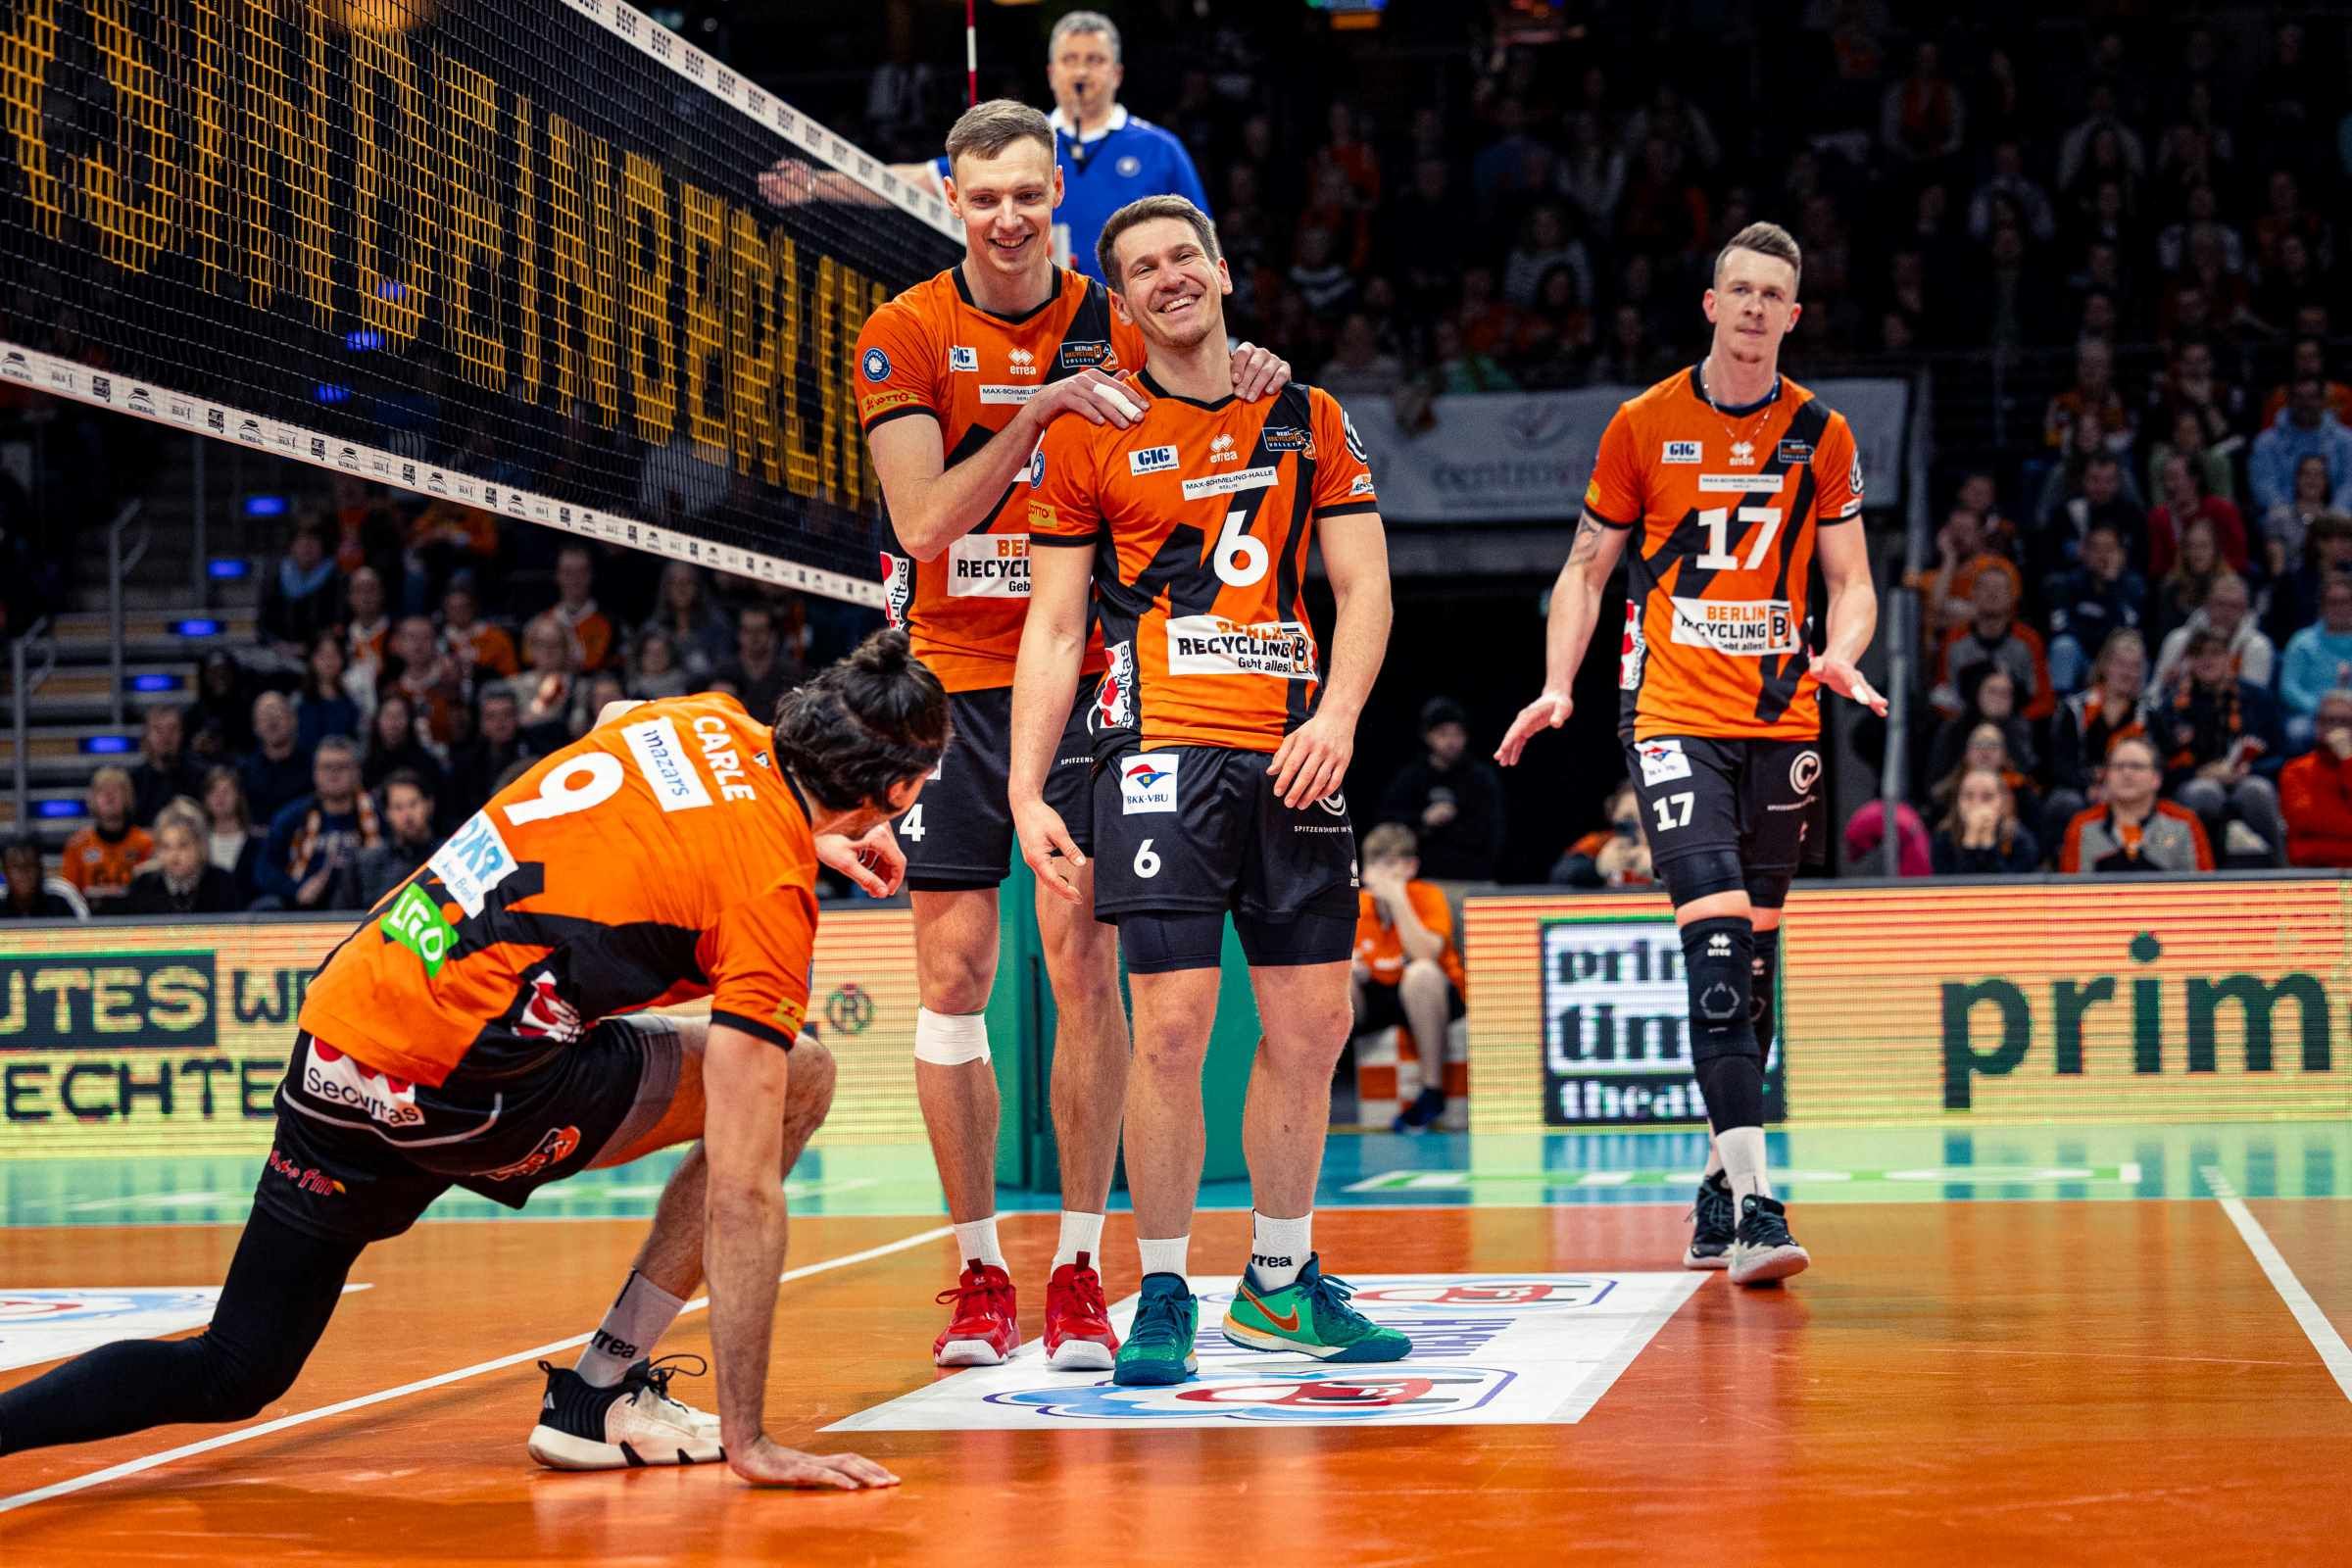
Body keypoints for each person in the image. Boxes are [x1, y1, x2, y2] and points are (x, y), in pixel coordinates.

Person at [0, 632, 940, 1492]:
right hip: (468, 1092)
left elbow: (621, 726)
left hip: (342, 1034)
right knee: (802, 1080)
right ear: (894, 793)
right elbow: (741, 1191)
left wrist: (810, 833)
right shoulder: (769, 896)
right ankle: (598, 1392)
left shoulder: (697, 720)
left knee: (235, 1366)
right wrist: (751, 1439)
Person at [857, 105, 1289, 1371]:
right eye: (985, 195)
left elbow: (1214, 386)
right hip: (948, 684)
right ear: (950, 198)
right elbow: (924, 522)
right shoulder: (905, 331)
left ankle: (1081, 1272)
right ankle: (978, 1271)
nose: (1009, 216)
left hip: (1096, 677)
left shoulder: (1118, 311)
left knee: (1085, 974)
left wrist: (1252, 367)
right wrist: (1041, 411)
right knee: (952, 979)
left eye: (1029, 194)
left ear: (1059, 193)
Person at [1014, 194, 1408, 1384]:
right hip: (1158, 753)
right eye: (1142, 268)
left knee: (1315, 1024)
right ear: (1122, 302)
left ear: (1223, 268)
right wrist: (1029, 790)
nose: (1169, 276)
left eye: (1184, 255)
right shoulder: (1090, 432)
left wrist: (1338, 716)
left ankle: (1279, 1284)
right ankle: (1165, 1290)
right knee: (1174, 1028)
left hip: (1294, 750)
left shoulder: (1308, 414)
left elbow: (1365, 585)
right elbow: (1055, 625)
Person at [1496, 220, 1884, 1287]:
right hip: (1669, 713)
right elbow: (1586, 570)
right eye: (1739, 290)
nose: (1755, 307)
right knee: (1715, 954)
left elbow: (1852, 581)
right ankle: (1759, 1207)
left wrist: (1843, 655)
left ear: (1793, 316)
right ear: (1711, 304)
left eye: (1773, 295)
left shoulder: (1822, 432)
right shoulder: (1642, 424)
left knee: (1753, 969)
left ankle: (1717, 1180)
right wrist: (1558, 683)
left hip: (1782, 720)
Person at [889, 14, 1209, 286]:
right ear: (1052, 73)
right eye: (1070, 60)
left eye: (1094, 60)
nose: (1081, 72)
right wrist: (854, 172)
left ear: (1117, 73)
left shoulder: (1161, 148)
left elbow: (1203, 244)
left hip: (1134, 318)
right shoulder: (1018, 140)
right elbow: (913, 179)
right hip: (1038, 315)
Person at [1348, 824, 1468, 1132]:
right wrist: (1349, 967)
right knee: (1336, 977)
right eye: (1375, 864)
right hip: (1378, 994)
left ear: (1411, 867)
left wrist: (1397, 899)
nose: (1382, 874)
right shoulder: (1357, 905)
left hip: (1432, 997)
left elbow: (1425, 953)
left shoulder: (1428, 896)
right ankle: (1319, 1087)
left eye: (1391, 864)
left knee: (1421, 973)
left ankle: (1432, 1091)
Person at [2155, 627, 2286, 861]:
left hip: (2247, 777)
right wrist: (2199, 773)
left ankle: (2280, 866)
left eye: (2215, 653)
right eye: (2198, 654)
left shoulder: (2257, 698)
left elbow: (2281, 755)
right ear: (2189, 661)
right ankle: (2199, 871)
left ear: (2229, 657)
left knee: (2257, 790)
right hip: (2195, 781)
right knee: (2204, 793)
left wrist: (2248, 769)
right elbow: (2162, 768)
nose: (2207, 660)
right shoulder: (2172, 706)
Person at [1376, 697, 1506, 884]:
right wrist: (1424, 820)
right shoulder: (1411, 777)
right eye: (1443, 734)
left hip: (1473, 878)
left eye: (1457, 734)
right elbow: (1386, 824)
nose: (1451, 741)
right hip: (1422, 879)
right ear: (1428, 736)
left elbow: (1492, 829)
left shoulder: (1481, 778)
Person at [2046, 628, 2151, 843]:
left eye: (2134, 667)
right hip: (2083, 788)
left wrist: (2120, 788)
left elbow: (2158, 763)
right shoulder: (2074, 709)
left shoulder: (2149, 714)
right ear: (2105, 666)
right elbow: (2061, 764)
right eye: (2121, 664)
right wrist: (2089, 788)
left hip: (2133, 788)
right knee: (2065, 801)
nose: (2127, 673)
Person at [258, 738, 382, 912]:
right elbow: (264, 870)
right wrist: (296, 889)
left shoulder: (380, 815)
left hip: (369, 909)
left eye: (342, 767)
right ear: (314, 773)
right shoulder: (291, 817)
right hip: (304, 910)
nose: (334, 774)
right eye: (326, 767)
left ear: (357, 772)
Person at [2058, 734, 2214, 872]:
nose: (2127, 773)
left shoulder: (2184, 823)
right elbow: (2071, 891)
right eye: (2118, 767)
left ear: (2156, 778)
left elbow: (2204, 888)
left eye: (2136, 766)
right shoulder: (2083, 826)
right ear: (2106, 776)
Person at [1935, 567, 2055, 721]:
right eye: (1985, 587)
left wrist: (2013, 721)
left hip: (2017, 724)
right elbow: (1942, 695)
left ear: (2012, 597)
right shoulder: (1954, 639)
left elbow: (2044, 700)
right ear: (1973, 594)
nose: (1992, 593)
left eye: (1999, 588)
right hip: (1965, 724)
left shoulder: (2029, 640)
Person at [2042, 520, 2147, 693]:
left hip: (2116, 660)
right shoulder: (2065, 584)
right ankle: (2061, 706)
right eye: (2096, 548)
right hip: (2081, 657)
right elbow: (2060, 628)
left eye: (2109, 549)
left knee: (2137, 653)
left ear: (2121, 554)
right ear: (2084, 552)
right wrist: (2099, 635)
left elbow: (2129, 631)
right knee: (2063, 646)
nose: (2102, 556)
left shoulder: (2133, 586)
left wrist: (2112, 586)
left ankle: (2137, 707)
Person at [2152, 570, 2275, 694]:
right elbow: (2155, 691)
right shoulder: (2179, 639)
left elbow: (2254, 698)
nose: (2225, 612)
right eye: (2220, 604)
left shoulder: (2257, 646)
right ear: (2207, 604)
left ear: (2245, 609)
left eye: (2234, 606)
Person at [2249, 375, 2352, 516]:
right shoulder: (2266, 443)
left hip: (2336, 517)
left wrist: (2334, 513)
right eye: (2299, 397)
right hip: (2282, 517)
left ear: (2323, 400)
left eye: (2312, 397)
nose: (2306, 404)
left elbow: (2349, 483)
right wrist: (2290, 514)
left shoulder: (2346, 440)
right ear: (2289, 401)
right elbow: (2264, 485)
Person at [337, 769, 440, 908]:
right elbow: (342, 916)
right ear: (387, 813)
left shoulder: (448, 857)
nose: (407, 815)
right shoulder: (365, 864)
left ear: (429, 805)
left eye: (413, 804)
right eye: (398, 807)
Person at [121, 807, 244, 914]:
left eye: (183, 845)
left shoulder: (222, 883)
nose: (174, 855)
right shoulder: (143, 885)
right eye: (166, 847)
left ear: (201, 846)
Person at [60, 765, 154, 908]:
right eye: (102, 790)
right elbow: (69, 897)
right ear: (92, 799)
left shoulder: (146, 843)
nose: (109, 795)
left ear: (128, 797)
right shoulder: (77, 846)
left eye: (116, 790)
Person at [2279, 689, 2352, 866]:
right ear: (2318, 726)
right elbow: (2305, 822)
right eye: (2330, 720)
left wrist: (2348, 761)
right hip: (2313, 869)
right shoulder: (2295, 770)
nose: (2337, 728)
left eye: (2345, 722)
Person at [2278, 573, 2352, 749]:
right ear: (2322, 606)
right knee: (2296, 732)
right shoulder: (2302, 642)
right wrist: (2322, 709)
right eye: (2333, 602)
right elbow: (2289, 688)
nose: (2339, 608)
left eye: (2345, 602)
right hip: (2312, 714)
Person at [448, 686, 536, 822]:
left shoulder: (537, 749)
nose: (500, 723)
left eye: (507, 714)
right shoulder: (466, 763)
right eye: (491, 716)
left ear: (517, 717)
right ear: (481, 722)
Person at [1931, 767, 2041, 875]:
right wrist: (1970, 841)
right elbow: (1949, 883)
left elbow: (2011, 884)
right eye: (1968, 796)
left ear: (2002, 801)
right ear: (1958, 800)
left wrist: (1988, 844)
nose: (1976, 804)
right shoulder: (1943, 837)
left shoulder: (2019, 840)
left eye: (1987, 797)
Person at [259, 518, 341, 658]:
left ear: (323, 545)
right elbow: (263, 625)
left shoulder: (336, 578)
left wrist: (308, 647)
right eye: (301, 540)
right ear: (291, 546)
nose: (306, 546)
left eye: (313, 540)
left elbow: (337, 626)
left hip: (322, 655)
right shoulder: (275, 576)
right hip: (279, 654)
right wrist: (277, 644)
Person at [1550, 783, 1656, 889]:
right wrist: (1597, 866)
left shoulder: (1665, 845)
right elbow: (1561, 873)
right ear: (1613, 815)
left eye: (1645, 816)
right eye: (1628, 817)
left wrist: (1659, 868)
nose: (1639, 825)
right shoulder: (1599, 842)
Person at [711, 604, 796, 729]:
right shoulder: (723, 672)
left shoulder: (789, 673)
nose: (754, 637)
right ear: (739, 634)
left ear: (772, 634)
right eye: (748, 631)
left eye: (760, 630)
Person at [200, 764, 267, 907]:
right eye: (213, 791)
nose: (219, 797)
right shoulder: (197, 842)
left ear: (238, 797)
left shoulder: (257, 842)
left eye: (226, 791)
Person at [127, 704, 205, 826]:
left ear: (181, 734)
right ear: (147, 735)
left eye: (172, 729)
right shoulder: (133, 782)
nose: (166, 736)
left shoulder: (201, 778)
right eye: (158, 730)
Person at [550, 546, 615, 674]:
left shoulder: (612, 624)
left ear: (591, 575)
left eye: (581, 572)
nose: (575, 579)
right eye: (567, 572)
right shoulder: (540, 623)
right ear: (557, 575)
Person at [439, 575, 517, 682]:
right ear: (445, 610)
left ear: (473, 607)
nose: (458, 613)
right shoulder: (436, 638)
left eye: (463, 607)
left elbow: (511, 676)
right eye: (453, 608)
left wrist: (479, 659)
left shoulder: (496, 637)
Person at [1, 836, 78, 919]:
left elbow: (85, 925)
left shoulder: (63, 894)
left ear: (40, 868)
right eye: (15, 866)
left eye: (29, 865)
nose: (23, 872)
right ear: (5, 871)